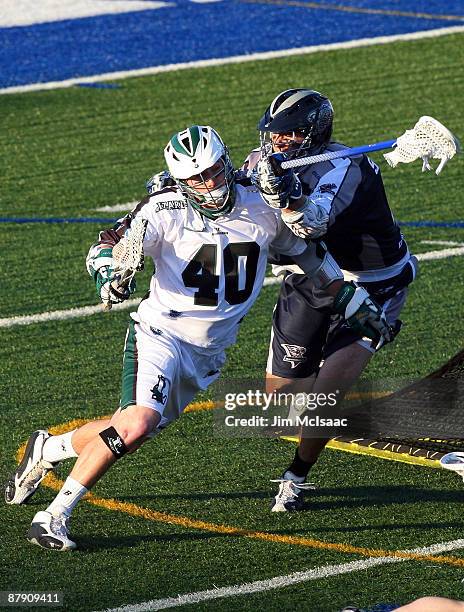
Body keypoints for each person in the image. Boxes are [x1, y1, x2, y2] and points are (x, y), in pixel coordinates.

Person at [4, 125, 391, 551]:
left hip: (209, 352)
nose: (208, 184)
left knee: (130, 430)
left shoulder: (260, 205)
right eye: (195, 178)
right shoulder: (163, 210)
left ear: (226, 162)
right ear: (181, 183)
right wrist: (110, 274)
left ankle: (49, 448)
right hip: (161, 334)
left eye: (212, 171)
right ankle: (53, 517)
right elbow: (106, 247)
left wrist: (351, 300)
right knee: (137, 424)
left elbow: (312, 258)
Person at [244, 89, 418, 512]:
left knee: (327, 393)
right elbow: (226, 194)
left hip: (374, 282)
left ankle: (296, 476)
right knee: (280, 397)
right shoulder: (261, 160)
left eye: (291, 134)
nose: (280, 143)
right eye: (276, 134)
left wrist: (287, 194)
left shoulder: (344, 165)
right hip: (312, 276)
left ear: (316, 132)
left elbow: (312, 223)